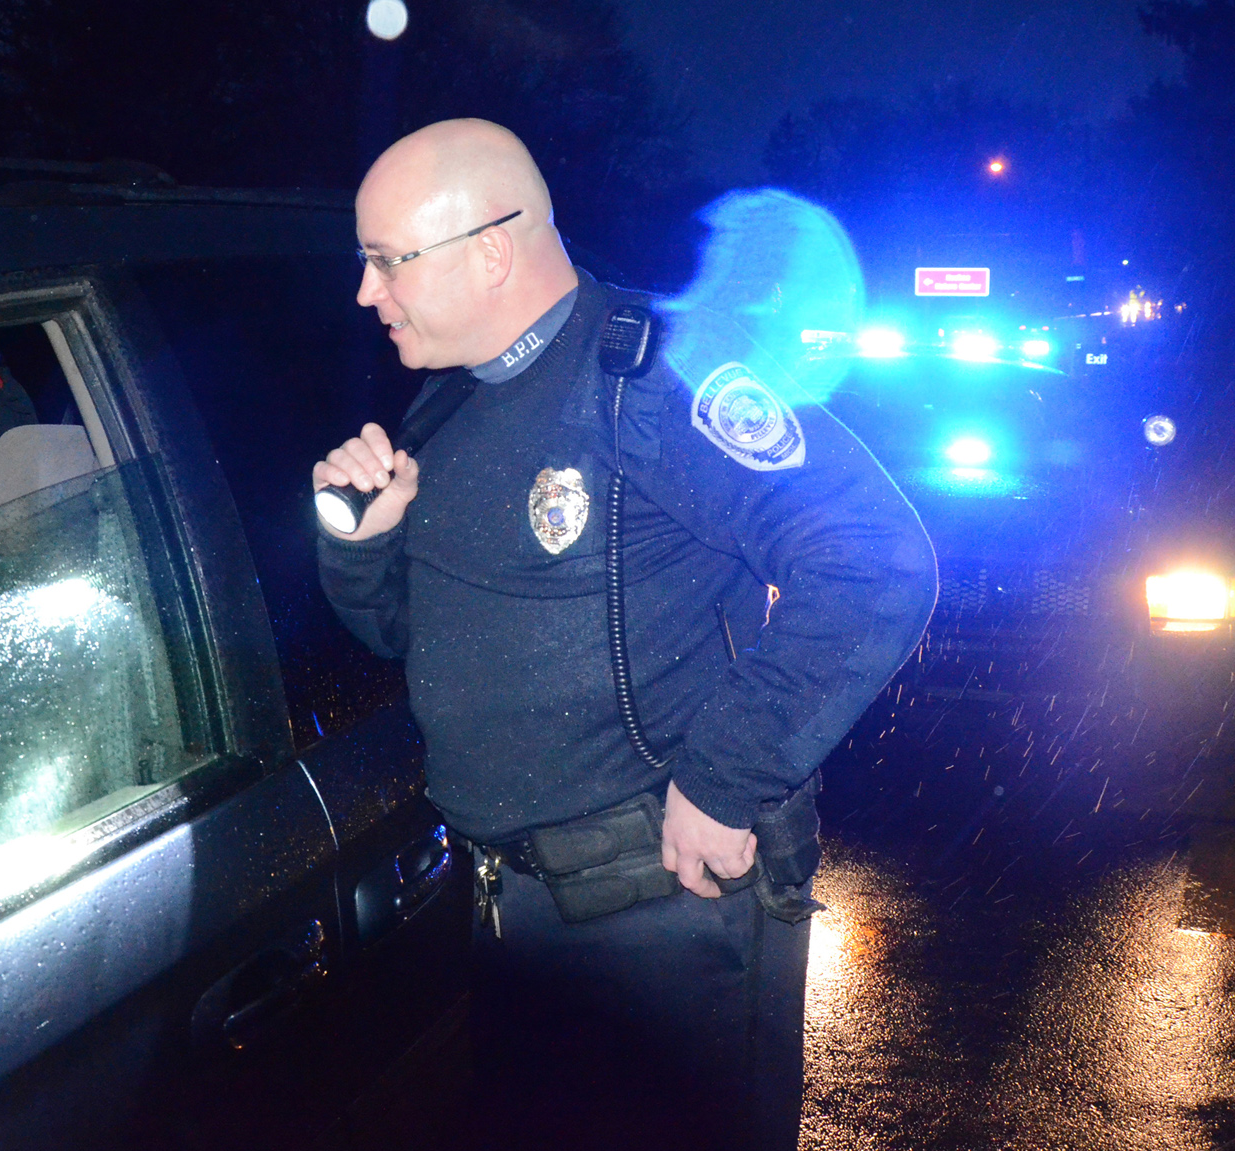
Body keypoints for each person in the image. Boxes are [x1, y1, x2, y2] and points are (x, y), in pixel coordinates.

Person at [313, 119, 936, 1147]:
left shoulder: (663, 379)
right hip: (512, 915)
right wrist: (364, 544)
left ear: (491, 250)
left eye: (386, 261)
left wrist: (727, 773)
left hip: (663, 921)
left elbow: (873, 561)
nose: (366, 292)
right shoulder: (448, 405)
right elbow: (408, 639)